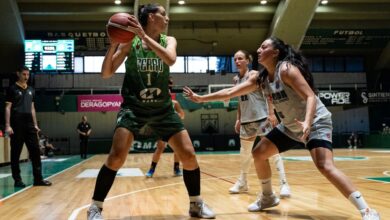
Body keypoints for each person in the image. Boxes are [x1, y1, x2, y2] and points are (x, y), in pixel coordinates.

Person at [184, 37, 380, 220]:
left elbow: (310, 96)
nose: (259, 50)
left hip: (316, 122)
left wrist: (308, 122)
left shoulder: (286, 69)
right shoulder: (261, 79)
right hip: (291, 126)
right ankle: (268, 196)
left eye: (264, 47)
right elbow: (230, 91)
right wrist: (201, 98)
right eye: (259, 47)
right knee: (259, 153)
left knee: (324, 166)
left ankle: (367, 210)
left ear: (276, 52)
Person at [87, 3, 215, 220]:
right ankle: (95, 207)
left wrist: (144, 38)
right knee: (116, 157)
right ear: (151, 17)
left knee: (189, 156)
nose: (167, 18)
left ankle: (196, 204)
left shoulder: (169, 40)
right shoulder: (129, 42)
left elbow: (171, 59)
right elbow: (106, 73)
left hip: (163, 109)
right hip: (133, 108)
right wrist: (113, 46)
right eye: (163, 14)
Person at [228, 50, 290, 198]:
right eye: (235, 59)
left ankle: (284, 183)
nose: (237, 61)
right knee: (245, 154)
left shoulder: (255, 75)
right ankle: (243, 182)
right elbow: (239, 101)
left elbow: (268, 94)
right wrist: (238, 118)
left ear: (247, 61)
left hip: (262, 118)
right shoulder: (236, 79)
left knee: (273, 152)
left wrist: (271, 113)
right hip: (246, 121)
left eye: (240, 58)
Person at [4, 66, 52, 187]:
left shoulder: (31, 89)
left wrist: (35, 124)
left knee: (35, 151)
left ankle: (38, 179)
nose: (26, 77)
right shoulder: (12, 89)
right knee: (16, 153)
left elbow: (32, 108)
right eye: (24, 74)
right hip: (17, 123)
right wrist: (8, 125)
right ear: (18, 74)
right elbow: (7, 108)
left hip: (29, 123)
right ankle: (17, 180)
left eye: (28, 75)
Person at [145, 81, 185, 177]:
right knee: (160, 148)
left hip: (174, 128)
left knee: (177, 149)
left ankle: (176, 169)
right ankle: (151, 169)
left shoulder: (175, 103)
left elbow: (182, 115)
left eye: (168, 92)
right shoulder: (158, 105)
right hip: (162, 128)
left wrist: (175, 116)